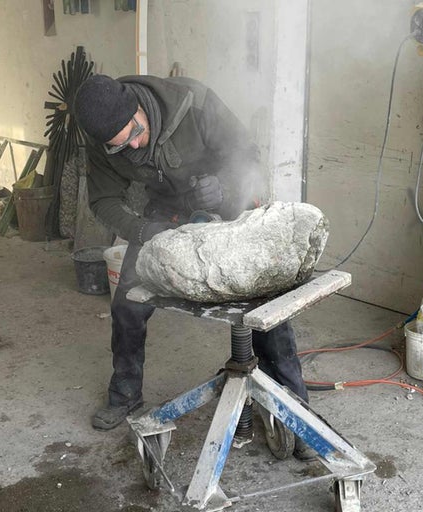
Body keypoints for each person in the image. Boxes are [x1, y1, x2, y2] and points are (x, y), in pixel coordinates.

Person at [73, 74, 314, 460]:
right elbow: (103, 201)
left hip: (226, 203)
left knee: (265, 305)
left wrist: (224, 182)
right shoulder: (103, 142)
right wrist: (142, 230)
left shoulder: (193, 101)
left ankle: (298, 413)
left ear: (138, 104)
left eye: (136, 132)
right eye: (122, 146)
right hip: (163, 216)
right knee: (127, 304)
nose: (134, 144)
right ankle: (125, 393)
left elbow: (248, 154)